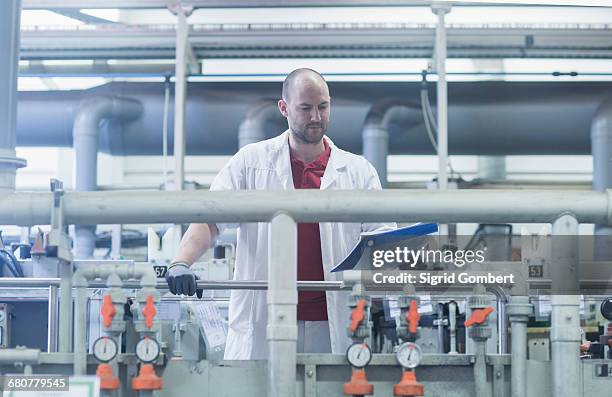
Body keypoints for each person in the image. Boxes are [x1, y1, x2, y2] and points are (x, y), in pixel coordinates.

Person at [165, 68, 394, 360]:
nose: (315, 117)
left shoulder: (358, 172)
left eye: (323, 107)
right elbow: (211, 218)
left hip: (334, 322)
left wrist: (384, 300)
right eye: (305, 108)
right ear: (284, 108)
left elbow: (382, 240)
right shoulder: (251, 162)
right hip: (265, 320)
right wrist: (181, 262)